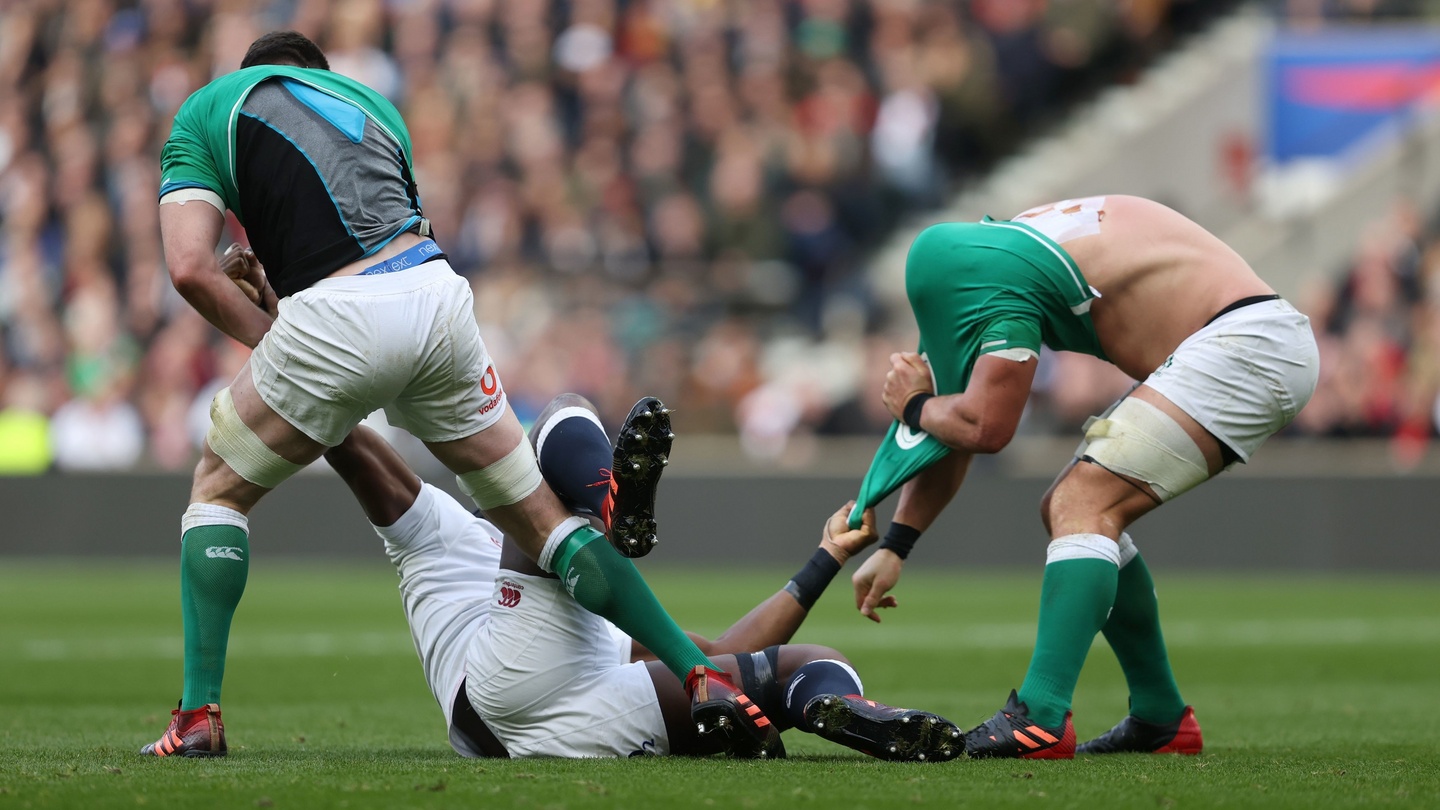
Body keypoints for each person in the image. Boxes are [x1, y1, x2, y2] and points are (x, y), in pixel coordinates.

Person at [144, 31, 769, 758]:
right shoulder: (375, 107)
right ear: (322, 77)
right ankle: (700, 671)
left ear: (252, 75)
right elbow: (379, 250)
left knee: (217, 493)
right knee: (540, 519)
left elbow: (192, 269)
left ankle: (197, 718)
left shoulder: (210, 108)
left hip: (339, 313)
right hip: (438, 297)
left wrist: (272, 336)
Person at [846, 195, 1320, 759]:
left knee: (1082, 502)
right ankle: (1160, 718)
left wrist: (915, 406)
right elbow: (961, 422)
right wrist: (899, 542)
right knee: (1068, 509)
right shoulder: (1008, 251)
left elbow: (985, 427)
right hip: (1247, 336)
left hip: (1244, 344)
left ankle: (1041, 718)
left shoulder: (994, 283)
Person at [317, 393, 963, 761]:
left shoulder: (588, 597)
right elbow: (353, 449)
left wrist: (825, 556)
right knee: (557, 416)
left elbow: (717, 656)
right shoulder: (443, 530)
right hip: (497, 688)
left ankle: (844, 711)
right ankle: (610, 502)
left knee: (803, 665)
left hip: (557, 723)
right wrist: (281, 340)